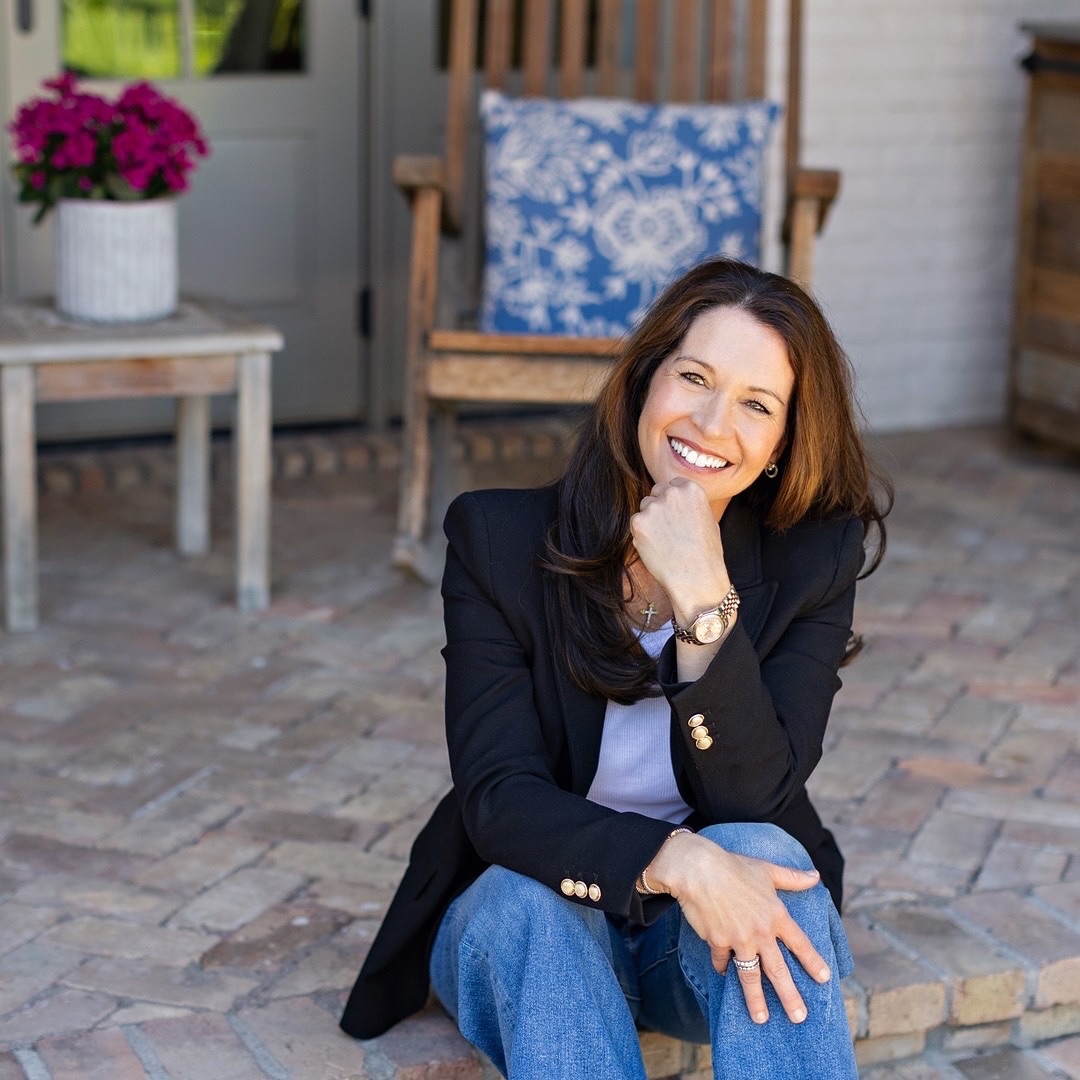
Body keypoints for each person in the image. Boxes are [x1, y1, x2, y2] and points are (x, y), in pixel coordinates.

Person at [341, 258, 891, 1079]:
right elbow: (500, 798)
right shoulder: (498, 540)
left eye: (756, 404)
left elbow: (754, 793)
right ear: (642, 382)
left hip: (693, 945)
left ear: (782, 442)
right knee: (529, 903)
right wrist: (676, 858)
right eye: (694, 378)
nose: (712, 422)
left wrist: (703, 598)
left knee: (767, 856)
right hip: (534, 923)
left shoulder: (813, 558)